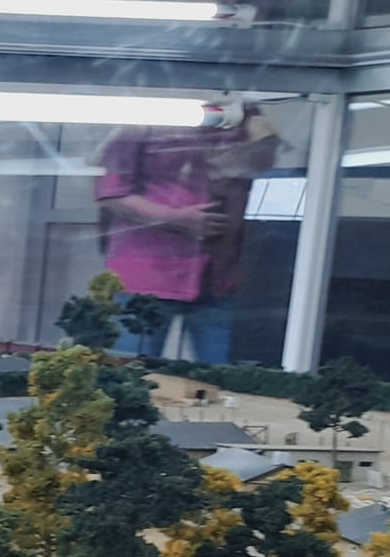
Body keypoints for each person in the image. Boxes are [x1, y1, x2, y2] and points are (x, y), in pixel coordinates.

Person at [94, 106, 280, 365]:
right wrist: (175, 218)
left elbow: (263, 171)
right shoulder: (146, 116)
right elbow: (111, 194)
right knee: (126, 372)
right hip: (146, 275)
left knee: (227, 380)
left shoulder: (240, 113)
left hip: (221, 275)